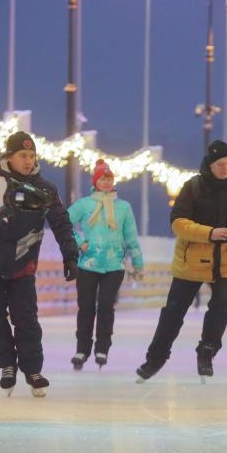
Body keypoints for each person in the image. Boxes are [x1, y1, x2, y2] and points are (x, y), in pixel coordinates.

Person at [136, 140, 227, 383]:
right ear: (210, 164)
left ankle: (207, 351)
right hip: (192, 262)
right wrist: (209, 233)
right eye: (221, 164)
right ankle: (156, 358)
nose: (226, 169)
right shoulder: (193, 187)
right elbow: (178, 223)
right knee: (173, 313)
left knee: (221, 308)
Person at [0, 131, 79, 398]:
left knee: (26, 319)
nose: (28, 161)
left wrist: (70, 254)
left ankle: (32, 370)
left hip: (23, 265)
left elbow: (61, 223)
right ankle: (7, 364)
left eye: (32, 156)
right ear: (10, 156)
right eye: (23, 155)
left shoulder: (45, 190)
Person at [67, 159, 144, 371]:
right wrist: (80, 242)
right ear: (95, 181)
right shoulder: (84, 204)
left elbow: (131, 237)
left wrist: (138, 262)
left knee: (106, 305)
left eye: (109, 178)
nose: (106, 181)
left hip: (114, 266)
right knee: (86, 308)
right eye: (103, 178)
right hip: (88, 265)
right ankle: (82, 349)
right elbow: (63, 223)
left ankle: (102, 348)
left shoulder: (123, 207)